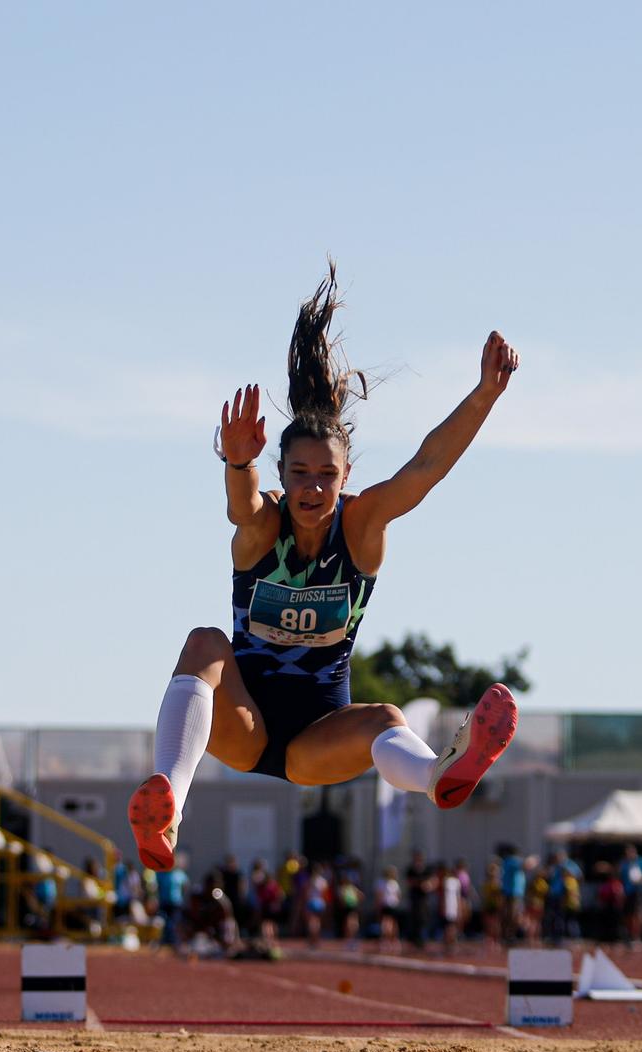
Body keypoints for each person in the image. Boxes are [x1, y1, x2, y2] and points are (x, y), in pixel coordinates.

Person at [125, 266, 521, 870]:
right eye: (300, 473)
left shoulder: (360, 527)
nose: (313, 487)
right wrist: (236, 463)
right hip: (245, 722)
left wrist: (485, 395)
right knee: (204, 642)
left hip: (318, 740)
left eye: (327, 475)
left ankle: (440, 772)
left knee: (385, 718)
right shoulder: (263, 527)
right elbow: (242, 505)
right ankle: (168, 808)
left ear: (346, 477)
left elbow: (425, 469)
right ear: (280, 475)